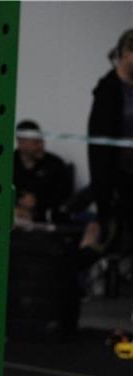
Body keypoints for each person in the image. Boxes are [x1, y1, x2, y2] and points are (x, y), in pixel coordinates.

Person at [88, 28, 133, 253]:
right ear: (126, 54)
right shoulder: (107, 91)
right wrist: (104, 193)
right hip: (115, 184)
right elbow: (98, 150)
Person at [12, 120, 74, 224]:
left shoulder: (55, 164)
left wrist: (38, 202)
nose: (41, 145)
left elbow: (65, 197)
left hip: (44, 220)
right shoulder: (9, 163)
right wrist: (18, 201)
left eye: (41, 140)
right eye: (35, 142)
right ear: (21, 142)